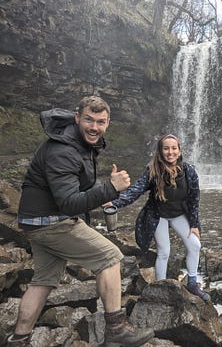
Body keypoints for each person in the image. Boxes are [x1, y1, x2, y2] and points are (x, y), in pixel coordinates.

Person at [8, 96, 154, 347]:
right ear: (77, 117)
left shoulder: (75, 143)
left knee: (43, 281)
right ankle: (116, 329)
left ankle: (18, 339)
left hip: (37, 220)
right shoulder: (63, 149)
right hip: (52, 221)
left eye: (100, 121)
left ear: (108, 123)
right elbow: (68, 202)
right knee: (110, 257)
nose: (94, 127)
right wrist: (110, 188)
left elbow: (73, 188)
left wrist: (106, 188)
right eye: (88, 119)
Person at [110, 134, 210, 302]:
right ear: (160, 151)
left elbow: (194, 199)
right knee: (164, 251)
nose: (170, 152)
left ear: (179, 151)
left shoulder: (189, 171)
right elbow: (135, 191)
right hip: (159, 215)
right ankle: (161, 287)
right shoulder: (153, 171)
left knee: (195, 245)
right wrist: (114, 202)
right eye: (166, 148)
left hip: (179, 215)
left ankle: (192, 284)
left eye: (173, 148)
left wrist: (194, 224)